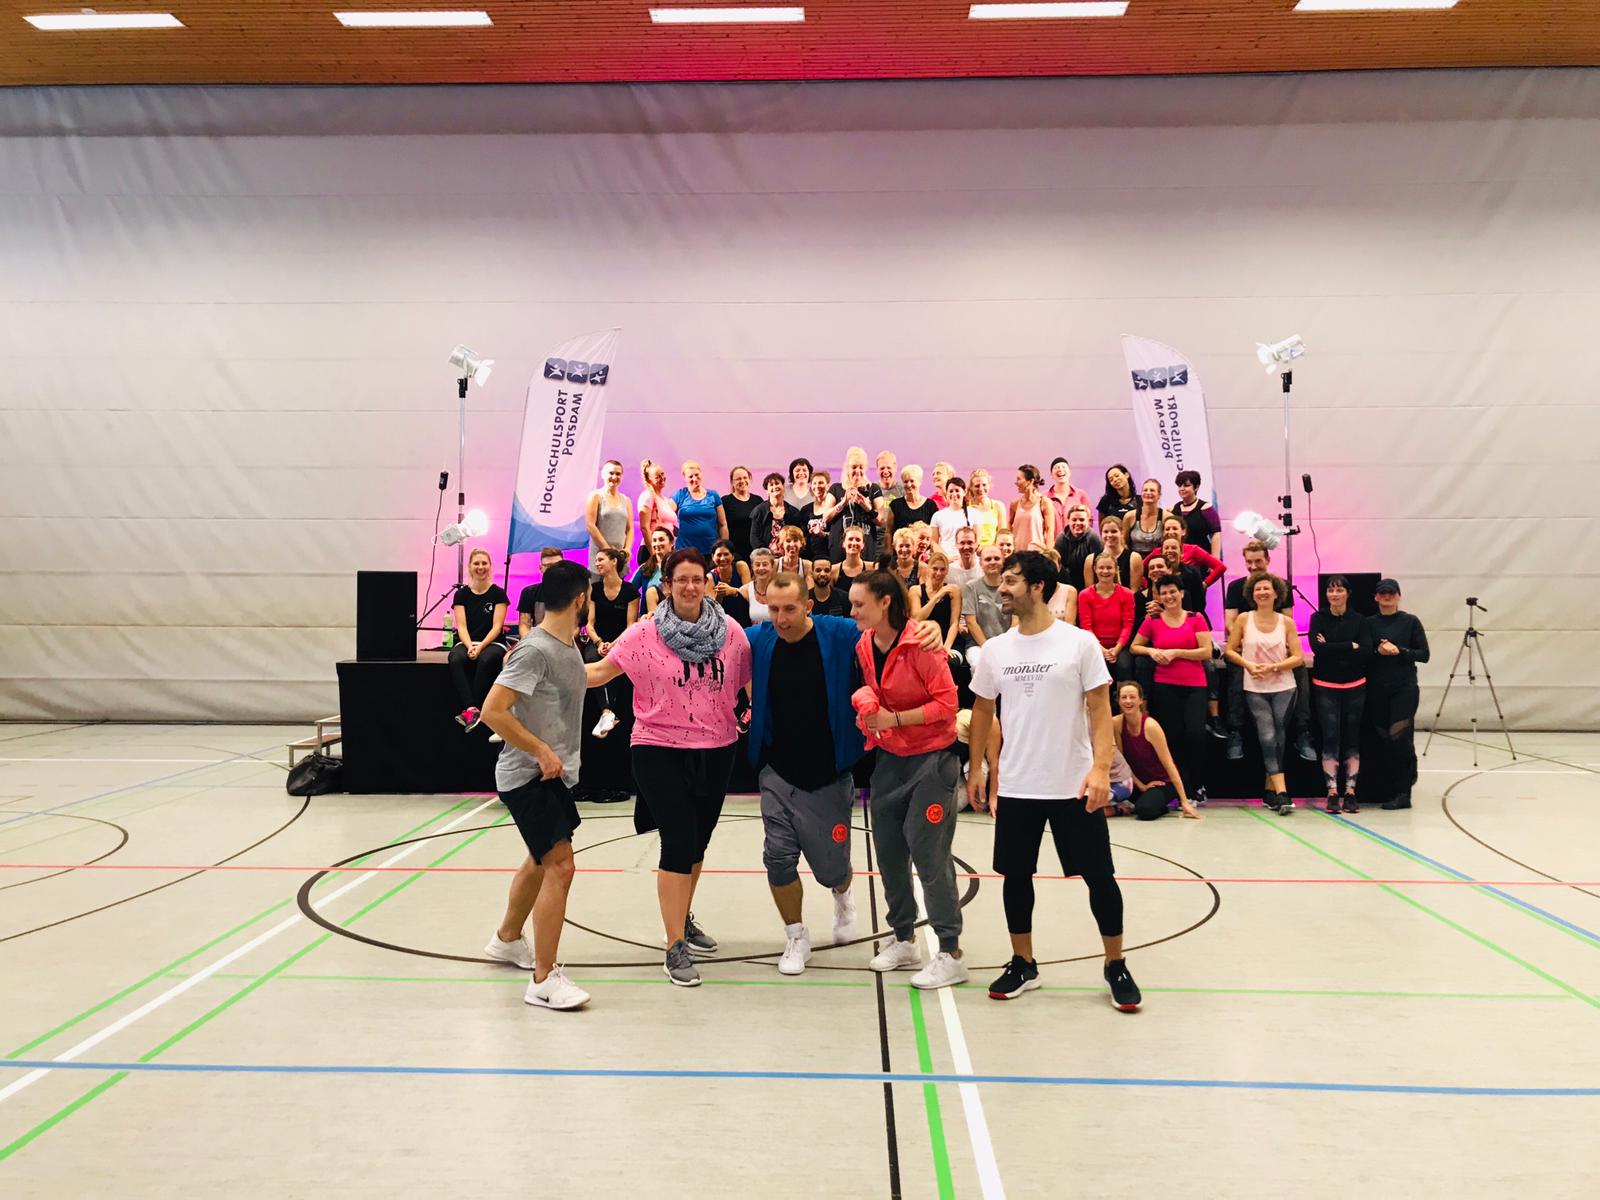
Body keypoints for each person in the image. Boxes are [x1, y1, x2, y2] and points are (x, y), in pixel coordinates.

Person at [966, 551, 1141, 1011]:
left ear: (1038, 586)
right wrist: (978, 768)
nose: (1002, 588)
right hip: (1018, 784)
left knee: (1100, 877)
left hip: (1072, 785)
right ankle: (1023, 963)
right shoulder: (996, 650)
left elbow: (1099, 709)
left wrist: (1100, 769)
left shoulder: (1078, 643)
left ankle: (1116, 964)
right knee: (1015, 876)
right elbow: (982, 710)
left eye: (1011, 581)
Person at [585, 548, 753, 987]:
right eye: (682, 579)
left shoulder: (732, 633)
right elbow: (600, 672)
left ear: (708, 583)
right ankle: (674, 944)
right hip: (658, 748)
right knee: (678, 842)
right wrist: (544, 664)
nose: (690, 587)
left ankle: (683, 915)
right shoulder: (644, 634)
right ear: (667, 584)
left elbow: (746, 682)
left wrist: (755, 713)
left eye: (698, 579)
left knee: (697, 843)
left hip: (717, 749)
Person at [479, 560, 593, 1011]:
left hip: (552, 774)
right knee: (560, 866)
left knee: (539, 860)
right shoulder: (535, 650)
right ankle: (543, 980)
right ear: (582, 599)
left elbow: (584, 678)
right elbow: (492, 711)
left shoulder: (566, 646)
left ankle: (507, 939)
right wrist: (541, 750)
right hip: (528, 776)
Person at [850, 571, 968, 989]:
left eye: (859, 604)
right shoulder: (865, 643)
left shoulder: (922, 644)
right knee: (888, 852)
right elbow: (872, 688)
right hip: (890, 759)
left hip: (932, 760)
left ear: (885, 602)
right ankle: (904, 938)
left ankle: (951, 952)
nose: (853, 612)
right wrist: (868, 701)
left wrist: (895, 718)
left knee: (929, 855)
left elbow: (947, 705)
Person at [746, 572, 864, 976]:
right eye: (773, 609)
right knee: (777, 859)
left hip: (829, 772)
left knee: (833, 869)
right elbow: (716, 636)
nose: (780, 619)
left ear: (808, 606)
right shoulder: (760, 638)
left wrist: (928, 629)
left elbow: (887, 627)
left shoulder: (838, 633)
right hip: (778, 772)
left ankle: (842, 894)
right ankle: (796, 935)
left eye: (789, 609)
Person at [1223, 541, 1313, 764]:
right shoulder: (1235, 587)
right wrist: (1249, 642)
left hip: (1276, 647)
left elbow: (1288, 621)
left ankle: (1302, 732)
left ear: (1268, 560)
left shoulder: (1282, 586)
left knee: (1300, 668)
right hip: (1246, 646)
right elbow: (1230, 622)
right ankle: (1236, 732)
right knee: (1235, 670)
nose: (1253, 566)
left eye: (1258, 561)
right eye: (1249, 562)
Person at [1226, 571, 1306, 814]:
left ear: (1276, 594)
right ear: (1252, 594)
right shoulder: (1243, 619)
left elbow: (1298, 656)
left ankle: (1270, 791)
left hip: (1284, 686)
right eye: (1257, 589)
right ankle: (1282, 792)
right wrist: (1248, 665)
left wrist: (1275, 667)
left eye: (1266, 588)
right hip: (1255, 686)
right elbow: (1230, 650)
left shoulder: (1286, 622)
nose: (1262, 592)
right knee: (1267, 736)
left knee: (1279, 737)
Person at [1131, 577, 1214, 806]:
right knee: (1173, 738)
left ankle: (1198, 784)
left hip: (1194, 685)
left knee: (1195, 734)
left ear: (1181, 593)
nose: (1169, 597)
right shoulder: (1153, 621)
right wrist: (1152, 651)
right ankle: (1182, 789)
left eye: (1172, 592)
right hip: (1165, 685)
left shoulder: (1196, 618)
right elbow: (1135, 646)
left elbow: (1206, 651)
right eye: (1164, 593)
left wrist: (1176, 652)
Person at [1309, 575, 1372, 813]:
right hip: (1325, 685)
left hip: (1355, 685)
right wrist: (1349, 645)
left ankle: (1351, 792)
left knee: (1352, 739)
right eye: (1330, 590)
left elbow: (1365, 650)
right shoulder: (1318, 618)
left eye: (1339, 590)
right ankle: (1332, 791)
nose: (1334, 595)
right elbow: (1317, 649)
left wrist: (1331, 646)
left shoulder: (1360, 620)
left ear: (1347, 593)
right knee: (1330, 737)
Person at [1366, 578, 1429, 810]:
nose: (1386, 596)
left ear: (1398, 596)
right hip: (1377, 689)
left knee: (1399, 737)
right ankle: (1391, 787)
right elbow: (1363, 653)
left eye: (1391, 593)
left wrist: (1399, 651)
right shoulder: (1369, 623)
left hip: (1404, 688)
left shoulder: (1410, 622)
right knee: (1384, 739)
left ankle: (1404, 793)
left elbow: (1424, 654)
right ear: (1376, 597)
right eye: (1382, 593)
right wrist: (1377, 651)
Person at [1112, 680, 1199, 820]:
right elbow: (1123, 763)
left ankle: (1167, 804)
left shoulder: (1151, 726)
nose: (1128, 701)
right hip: (1137, 782)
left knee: (1145, 810)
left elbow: (1169, 764)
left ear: (1141, 700)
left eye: (1132, 697)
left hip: (1162, 782)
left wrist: (1184, 801)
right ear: (1118, 700)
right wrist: (1141, 786)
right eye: (1124, 697)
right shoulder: (1116, 723)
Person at [450, 548, 510, 731]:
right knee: (455, 658)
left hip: (493, 642)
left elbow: (497, 627)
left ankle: (475, 708)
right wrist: (470, 646)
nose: (480, 567)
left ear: (490, 566)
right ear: (470, 566)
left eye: (484, 563)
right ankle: (472, 708)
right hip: (468, 642)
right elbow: (461, 626)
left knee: (486, 659)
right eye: (476, 563)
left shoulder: (498, 594)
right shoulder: (461, 595)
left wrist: (481, 647)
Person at [1079, 552, 1136, 685]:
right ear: (1095, 569)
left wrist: (1116, 649)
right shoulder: (1085, 595)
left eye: (1109, 568)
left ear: (1116, 570)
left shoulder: (1127, 594)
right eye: (1101, 568)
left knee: (1124, 665)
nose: (1105, 571)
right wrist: (1101, 650)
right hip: (1094, 644)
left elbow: (1128, 625)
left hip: (1120, 645)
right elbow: (1086, 626)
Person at [823, 447, 887, 562]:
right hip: (839, 547)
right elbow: (825, 517)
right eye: (854, 467)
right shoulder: (836, 488)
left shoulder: (873, 489)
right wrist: (843, 502)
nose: (857, 471)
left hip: (866, 546)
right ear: (847, 468)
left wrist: (867, 507)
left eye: (861, 467)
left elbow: (881, 521)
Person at [584, 459, 633, 579]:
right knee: (597, 588)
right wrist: (607, 551)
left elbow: (630, 529)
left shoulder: (626, 500)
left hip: (619, 559)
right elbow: (590, 525)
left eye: (618, 474)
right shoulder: (595, 496)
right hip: (599, 558)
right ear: (603, 474)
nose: (614, 477)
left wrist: (627, 549)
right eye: (611, 473)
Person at [912, 547, 963, 658]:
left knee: (951, 662)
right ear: (928, 569)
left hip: (950, 642)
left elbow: (954, 623)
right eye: (935, 569)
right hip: (925, 642)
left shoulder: (953, 590)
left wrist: (946, 647)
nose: (938, 573)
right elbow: (916, 619)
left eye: (942, 569)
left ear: (947, 571)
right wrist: (937, 596)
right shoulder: (916, 590)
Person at [961, 543, 1009, 658]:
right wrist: (988, 649)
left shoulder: (1012, 586)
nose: (992, 562)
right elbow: (971, 623)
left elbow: (1016, 621)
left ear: (1003, 562)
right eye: (988, 559)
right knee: (979, 662)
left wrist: (1006, 647)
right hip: (978, 645)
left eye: (997, 558)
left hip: (1007, 644)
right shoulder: (971, 587)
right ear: (981, 563)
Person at [672, 460, 728, 556]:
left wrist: (724, 548)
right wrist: (676, 531)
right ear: (684, 478)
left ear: (701, 474)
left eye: (697, 475)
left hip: (710, 551)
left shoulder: (713, 495)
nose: (694, 479)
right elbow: (666, 516)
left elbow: (723, 525)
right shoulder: (680, 495)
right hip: (684, 551)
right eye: (690, 476)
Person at [751, 472, 806, 558]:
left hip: (789, 555)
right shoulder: (759, 511)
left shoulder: (794, 512)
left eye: (777, 483)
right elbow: (754, 538)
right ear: (767, 491)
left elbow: (799, 537)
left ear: (783, 487)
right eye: (771, 485)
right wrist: (766, 555)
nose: (775, 486)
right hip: (765, 557)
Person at [517, 546, 567, 638]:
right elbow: (524, 624)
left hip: (564, 640)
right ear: (541, 568)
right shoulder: (529, 593)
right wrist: (529, 643)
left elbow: (576, 627)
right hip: (537, 640)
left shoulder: (573, 592)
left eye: (557, 565)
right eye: (549, 566)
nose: (553, 569)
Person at [1171, 469, 1222, 557]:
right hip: (1181, 557)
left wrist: (1215, 559)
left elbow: (1215, 534)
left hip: (1201, 556)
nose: (1182, 489)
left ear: (1196, 487)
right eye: (1179, 486)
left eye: (1186, 485)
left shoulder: (1206, 508)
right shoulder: (1174, 509)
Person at [1089, 514, 1143, 595]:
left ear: (1122, 533)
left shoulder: (1134, 558)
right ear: (1101, 534)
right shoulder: (1090, 559)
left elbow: (1134, 591)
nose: (1109, 535)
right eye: (1106, 532)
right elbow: (1090, 592)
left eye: (1114, 531)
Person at [1054, 504, 1103, 591]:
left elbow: (1099, 566)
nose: (1078, 523)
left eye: (1082, 520)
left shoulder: (1094, 538)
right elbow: (1059, 567)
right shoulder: (1060, 539)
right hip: (1067, 583)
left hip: (1090, 582)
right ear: (1068, 521)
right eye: (1074, 520)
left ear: (1089, 521)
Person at [1008, 464, 1055, 552]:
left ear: (1030, 481)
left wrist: (1049, 554)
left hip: (1037, 554)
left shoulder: (1044, 502)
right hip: (1018, 554)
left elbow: (1049, 531)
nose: (1016, 482)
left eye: (1019, 479)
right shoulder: (1014, 504)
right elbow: (1009, 525)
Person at [721, 465, 762, 563]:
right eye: (738, 479)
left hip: (755, 551)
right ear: (732, 482)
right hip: (735, 552)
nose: (742, 481)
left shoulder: (758, 500)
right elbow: (721, 526)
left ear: (749, 479)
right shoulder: (725, 501)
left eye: (745, 478)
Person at [707, 540, 752, 627]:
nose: (722, 558)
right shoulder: (710, 577)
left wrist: (732, 591)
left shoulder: (741, 566)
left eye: (726, 554)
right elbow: (713, 610)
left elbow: (749, 595)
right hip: (724, 623)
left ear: (733, 556)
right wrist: (719, 595)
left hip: (744, 616)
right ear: (713, 557)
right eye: (719, 555)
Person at [1122, 478, 1169, 560]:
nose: (1148, 493)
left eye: (1152, 490)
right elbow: (1123, 542)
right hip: (1134, 560)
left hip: (1159, 561)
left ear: (1159, 495)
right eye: (1145, 490)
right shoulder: (1129, 516)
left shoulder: (1167, 517)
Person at [632, 528, 676, 614]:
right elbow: (630, 591)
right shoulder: (644, 568)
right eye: (654, 540)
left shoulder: (680, 566)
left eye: (661, 540)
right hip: (648, 617)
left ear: (672, 543)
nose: (657, 544)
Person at [1045, 457, 1093, 536]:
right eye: (1056, 467)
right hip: (1051, 542)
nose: (1060, 469)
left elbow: (1089, 521)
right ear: (1051, 474)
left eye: (1063, 467)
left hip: (1077, 542)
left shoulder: (1081, 495)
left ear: (1070, 472)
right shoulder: (1043, 497)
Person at [887, 464, 938, 537]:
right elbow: (888, 532)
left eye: (912, 481)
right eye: (905, 481)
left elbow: (935, 532)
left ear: (920, 481)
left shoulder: (930, 505)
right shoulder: (895, 505)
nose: (909, 484)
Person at [636, 458, 679, 545]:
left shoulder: (666, 500)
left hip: (666, 548)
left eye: (662, 474)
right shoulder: (647, 496)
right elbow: (644, 527)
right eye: (657, 477)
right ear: (649, 480)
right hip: (652, 548)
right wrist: (652, 551)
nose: (662, 478)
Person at [964, 469, 1008, 547]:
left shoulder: (998, 506)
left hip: (994, 550)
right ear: (971, 488)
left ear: (989, 485)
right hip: (972, 550)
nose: (981, 489)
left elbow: (1002, 533)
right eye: (977, 486)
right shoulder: (966, 508)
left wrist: (992, 549)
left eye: (984, 485)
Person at [931, 477, 974, 556]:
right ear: (946, 493)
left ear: (964, 492)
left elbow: (977, 541)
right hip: (945, 561)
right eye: (951, 491)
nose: (954, 494)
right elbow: (933, 543)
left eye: (957, 490)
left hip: (968, 559)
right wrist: (946, 558)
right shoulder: (937, 516)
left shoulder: (974, 513)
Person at [800, 469, 834, 561]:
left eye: (821, 483)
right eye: (814, 483)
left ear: (828, 486)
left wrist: (822, 534)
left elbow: (838, 536)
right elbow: (803, 537)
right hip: (810, 558)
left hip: (831, 556)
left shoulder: (834, 509)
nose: (817, 486)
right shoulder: (805, 510)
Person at [744, 547, 778, 624]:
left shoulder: (782, 590)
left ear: (772, 566)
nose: (761, 568)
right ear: (752, 567)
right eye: (757, 565)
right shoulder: (745, 591)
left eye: (765, 564)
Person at [946, 526, 983, 591]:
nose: (966, 547)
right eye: (962, 543)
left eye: (970, 542)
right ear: (956, 544)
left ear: (976, 544)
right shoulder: (949, 571)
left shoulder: (983, 569)